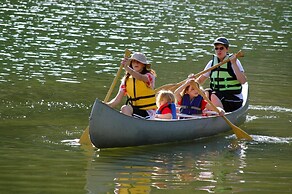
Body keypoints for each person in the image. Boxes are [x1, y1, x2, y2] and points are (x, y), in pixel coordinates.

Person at [195, 37, 247, 112]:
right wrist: (192, 82)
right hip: (217, 97)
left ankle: (218, 113)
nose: (219, 51)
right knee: (204, 93)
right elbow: (199, 80)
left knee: (213, 94)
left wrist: (234, 63)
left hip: (233, 100)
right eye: (216, 48)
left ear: (227, 49)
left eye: (221, 48)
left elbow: (243, 81)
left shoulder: (234, 62)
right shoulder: (212, 64)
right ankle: (206, 112)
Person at [106, 52, 157, 119]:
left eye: (138, 62)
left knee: (125, 108)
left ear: (143, 65)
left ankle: (130, 127)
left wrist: (126, 68)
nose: (136, 63)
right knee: (123, 111)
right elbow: (117, 100)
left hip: (148, 112)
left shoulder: (149, 76)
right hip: (135, 111)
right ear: (131, 63)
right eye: (133, 61)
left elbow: (140, 77)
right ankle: (130, 125)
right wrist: (105, 106)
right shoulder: (126, 80)